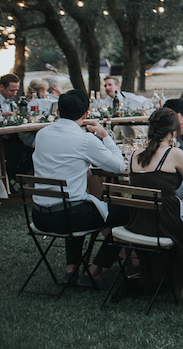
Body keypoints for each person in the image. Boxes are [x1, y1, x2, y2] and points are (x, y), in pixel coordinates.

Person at [30, 90, 128, 288]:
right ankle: (94, 271)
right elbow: (119, 167)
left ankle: (71, 269)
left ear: (58, 111)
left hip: (39, 215)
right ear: (86, 114)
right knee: (129, 213)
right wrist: (104, 135)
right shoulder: (85, 140)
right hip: (70, 217)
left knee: (76, 202)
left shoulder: (41, 134)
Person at [127, 108, 183, 300]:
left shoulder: (135, 154)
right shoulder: (173, 153)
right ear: (174, 132)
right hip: (163, 223)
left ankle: (160, 278)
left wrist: (171, 199)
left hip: (139, 221)